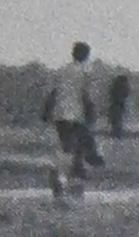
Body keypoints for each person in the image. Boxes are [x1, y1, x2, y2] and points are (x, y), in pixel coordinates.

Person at [45, 41, 104, 196]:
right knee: (75, 146)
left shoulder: (62, 70)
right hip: (76, 115)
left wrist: (47, 111)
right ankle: (65, 176)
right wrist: (91, 112)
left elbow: (53, 93)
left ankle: (66, 176)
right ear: (85, 55)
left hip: (60, 115)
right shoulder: (85, 72)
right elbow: (87, 95)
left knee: (69, 145)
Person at [107, 72, 131, 138]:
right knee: (118, 119)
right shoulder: (123, 86)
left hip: (115, 105)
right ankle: (117, 133)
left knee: (115, 120)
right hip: (119, 105)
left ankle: (115, 132)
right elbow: (126, 94)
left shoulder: (115, 86)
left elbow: (111, 95)